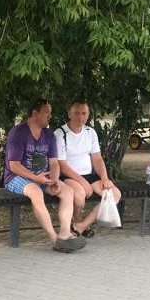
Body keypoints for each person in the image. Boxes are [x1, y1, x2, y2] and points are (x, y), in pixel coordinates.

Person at [4, 100, 85, 252]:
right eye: (46, 112)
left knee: (68, 191)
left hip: (43, 178)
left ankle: (65, 233)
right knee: (36, 192)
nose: (50, 116)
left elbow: (54, 163)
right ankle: (55, 239)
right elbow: (13, 165)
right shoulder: (18, 132)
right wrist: (36, 178)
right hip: (16, 177)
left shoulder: (48, 134)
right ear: (35, 113)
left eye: (50, 112)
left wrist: (53, 181)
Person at [55, 101, 121, 237]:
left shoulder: (90, 132)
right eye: (77, 113)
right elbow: (61, 165)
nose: (80, 117)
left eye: (84, 113)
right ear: (69, 114)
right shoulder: (60, 134)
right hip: (69, 176)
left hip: (89, 175)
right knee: (79, 195)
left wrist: (104, 177)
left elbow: (97, 158)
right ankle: (77, 221)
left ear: (88, 115)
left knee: (115, 194)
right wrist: (82, 182)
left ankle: (81, 225)